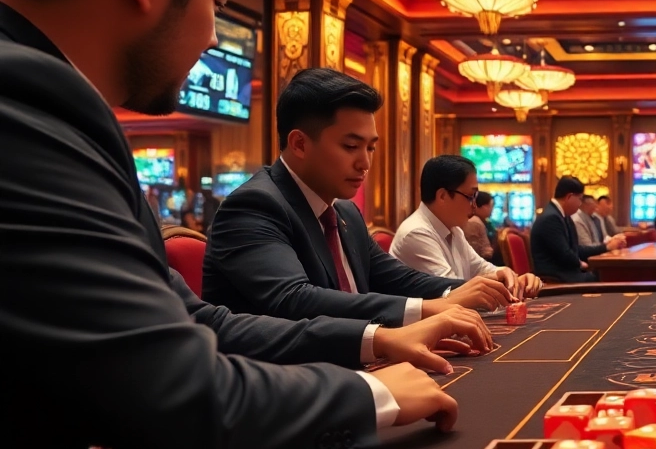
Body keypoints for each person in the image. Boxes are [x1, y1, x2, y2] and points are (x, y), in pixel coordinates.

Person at [0, 0, 474, 449]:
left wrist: (375, 342)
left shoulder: (52, 108)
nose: (208, 39)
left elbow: (198, 321)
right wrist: (368, 395)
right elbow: (181, 401)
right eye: (219, 2)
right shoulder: (24, 103)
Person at [204, 68, 511, 322]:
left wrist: (471, 289)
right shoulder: (255, 206)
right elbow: (294, 300)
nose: (365, 163)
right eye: (351, 147)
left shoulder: (345, 212)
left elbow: (397, 279)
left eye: (370, 148)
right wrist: (427, 309)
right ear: (299, 144)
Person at [390, 155, 541, 299]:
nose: (474, 206)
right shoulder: (416, 233)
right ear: (442, 196)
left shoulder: (454, 230)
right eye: (470, 197)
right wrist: (501, 280)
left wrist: (513, 278)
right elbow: (453, 292)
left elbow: (481, 269)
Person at [532, 176, 625, 283]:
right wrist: (580, 263)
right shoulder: (551, 218)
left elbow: (576, 249)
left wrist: (606, 247)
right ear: (569, 197)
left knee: (604, 272)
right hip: (556, 277)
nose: (580, 204)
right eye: (580, 199)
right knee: (605, 276)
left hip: (565, 272)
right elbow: (564, 254)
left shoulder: (563, 216)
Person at [464, 190, 503, 266]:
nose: (492, 209)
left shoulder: (486, 222)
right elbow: (486, 253)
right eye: (490, 206)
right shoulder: (475, 222)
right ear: (481, 206)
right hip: (480, 265)